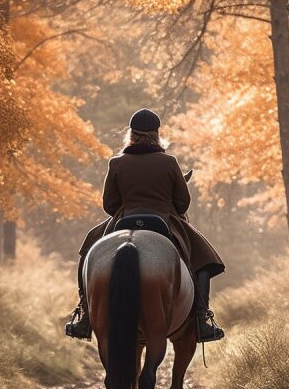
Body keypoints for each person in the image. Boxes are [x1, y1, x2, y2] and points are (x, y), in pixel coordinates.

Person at [65, 108, 226, 343]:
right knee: (205, 258)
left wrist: (127, 207)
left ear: (131, 134)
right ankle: (202, 320)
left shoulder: (116, 162)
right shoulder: (170, 162)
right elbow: (183, 204)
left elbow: (109, 205)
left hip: (124, 218)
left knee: (88, 250)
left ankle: (85, 315)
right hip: (164, 220)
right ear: (157, 135)